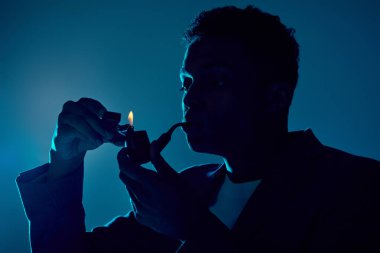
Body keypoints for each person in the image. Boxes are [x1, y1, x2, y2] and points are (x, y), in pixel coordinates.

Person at [17, 5, 380, 253]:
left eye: (216, 82)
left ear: (275, 97)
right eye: (187, 83)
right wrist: (65, 162)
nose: (191, 99)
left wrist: (193, 228)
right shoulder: (187, 188)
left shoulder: (358, 187)